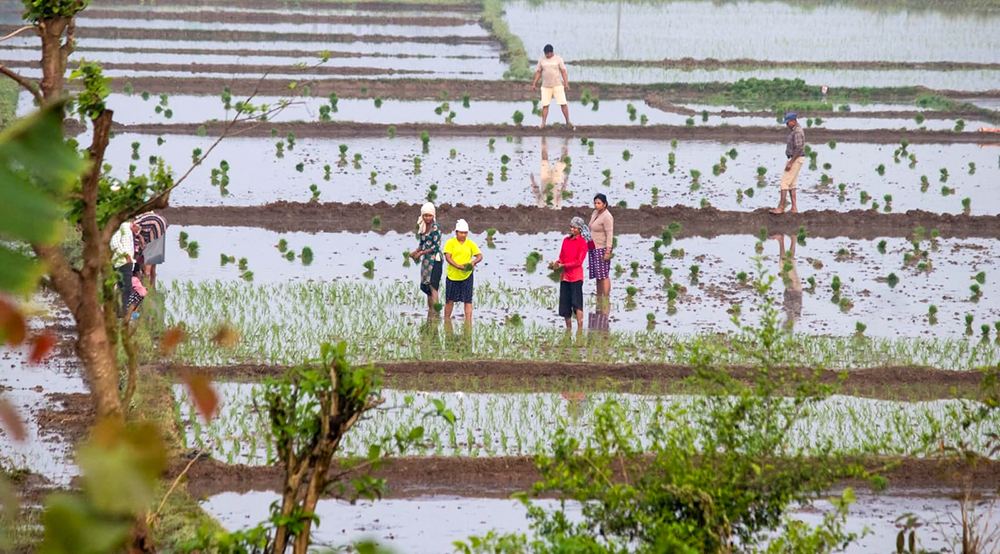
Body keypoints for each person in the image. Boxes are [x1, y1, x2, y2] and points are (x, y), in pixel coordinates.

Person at [553, 217, 589, 329]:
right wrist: (557, 263)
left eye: (575, 228)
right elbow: (562, 257)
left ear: (580, 229)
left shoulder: (582, 243)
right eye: (571, 227)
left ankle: (579, 328)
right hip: (565, 277)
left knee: (577, 304)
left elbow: (579, 261)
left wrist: (564, 265)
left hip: (576, 277)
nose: (572, 229)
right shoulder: (566, 241)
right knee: (565, 304)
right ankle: (568, 328)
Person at [443, 219, 482, 321]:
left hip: (466, 276)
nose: (463, 235)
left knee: (468, 300)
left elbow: (479, 256)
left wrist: (473, 262)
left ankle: (468, 322)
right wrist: (457, 266)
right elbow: (448, 257)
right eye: (461, 233)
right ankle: (446, 320)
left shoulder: (470, 243)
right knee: (449, 300)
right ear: (456, 232)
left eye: (465, 233)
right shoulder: (450, 243)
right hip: (452, 276)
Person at [531, 44, 575, 130]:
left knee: (563, 103)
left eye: (548, 53)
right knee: (545, 105)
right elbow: (538, 72)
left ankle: (568, 121)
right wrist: (534, 84)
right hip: (545, 86)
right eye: (546, 54)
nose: (547, 55)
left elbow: (563, 71)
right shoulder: (541, 60)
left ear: (552, 52)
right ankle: (543, 124)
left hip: (557, 85)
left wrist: (566, 83)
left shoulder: (558, 59)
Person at [410, 203, 443, 314]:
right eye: (425, 215)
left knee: (433, 286)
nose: (427, 218)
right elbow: (422, 244)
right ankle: (430, 311)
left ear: (433, 215)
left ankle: (436, 312)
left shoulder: (435, 227)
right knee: (427, 287)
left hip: (435, 260)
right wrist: (416, 252)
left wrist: (421, 253)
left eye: (429, 216)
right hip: (426, 261)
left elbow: (435, 246)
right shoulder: (423, 226)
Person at [772, 112, 805, 214]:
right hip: (795, 158)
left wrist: (791, 162)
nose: (787, 125)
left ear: (793, 121)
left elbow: (799, 148)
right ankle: (794, 208)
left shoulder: (797, 132)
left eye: (788, 122)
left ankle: (781, 207)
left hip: (795, 159)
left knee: (784, 182)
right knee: (792, 184)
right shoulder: (794, 130)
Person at [772, 234, 803, 329]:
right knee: (786, 263)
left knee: (785, 264)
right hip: (794, 288)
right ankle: (786, 240)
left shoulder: (791, 316)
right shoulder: (794, 317)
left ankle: (784, 240)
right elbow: (796, 302)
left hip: (791, 288)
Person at [531, 137, 569, 208]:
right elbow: (561, 194)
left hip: (544, 180)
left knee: (544, 159)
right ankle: (566, 141)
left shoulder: (540, 206)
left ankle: (543, 136)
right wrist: (565, 182)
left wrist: (533, 181)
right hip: (556, 181)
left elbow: (537, 193)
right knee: (563, 161)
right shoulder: (556, 207)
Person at [589, 193, 614, 300]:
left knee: (604, 274)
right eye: (595, 203)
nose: (596, 205)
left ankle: (606, 298)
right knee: (597, 275)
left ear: (605, 204)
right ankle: (599, 296)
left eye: (599, 203)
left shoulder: (607, 217)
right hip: (593, 248)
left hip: (602, 248)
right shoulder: (595, 213)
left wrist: (608, 251)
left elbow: (609, 234)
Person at [110, 220, 138, 319]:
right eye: (138, 229)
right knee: (127, 288)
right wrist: (126, 256)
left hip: (124, 262)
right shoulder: (123, 227)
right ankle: (124, 312)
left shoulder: (128, 229)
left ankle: (118, 312)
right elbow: (114, 243)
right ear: (134, 224)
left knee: (121, 287)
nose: (138, 232)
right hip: (123, 263)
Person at [133, 211, 167, 289]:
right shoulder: (137, 223)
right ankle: (152, 287)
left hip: (155, 226)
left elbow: (137, 248)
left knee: (147, 268)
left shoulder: (133, 228)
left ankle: (148, 290)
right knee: (152, 260)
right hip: (159, 223)